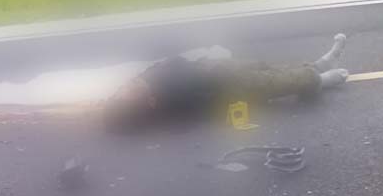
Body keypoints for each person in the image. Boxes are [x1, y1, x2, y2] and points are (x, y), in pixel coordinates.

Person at [102, 34, 348, 131]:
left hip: (219, 70)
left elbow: (171, 63)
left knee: (271, 69)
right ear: (149, 103)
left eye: (128, 85)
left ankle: (316, 66)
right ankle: (320, 80)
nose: (131, 83)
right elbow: (198, 99)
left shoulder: (150, 82)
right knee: (276, 82)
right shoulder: (168, 99)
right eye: (131, 89)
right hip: (228, 87)